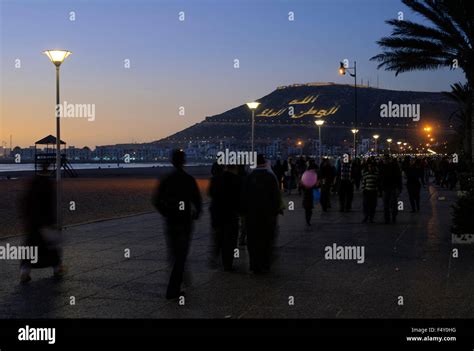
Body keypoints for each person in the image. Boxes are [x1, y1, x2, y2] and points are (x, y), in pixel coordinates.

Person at [152, 149, 202, 299]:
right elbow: (197, 201)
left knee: (175, 253)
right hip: (184, 221)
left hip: (171, 220)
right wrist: (195, 214)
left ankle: (179, 278)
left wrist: (165, 212)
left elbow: (156, 200)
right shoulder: (189, 179)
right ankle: (174, 288)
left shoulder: (166, 179)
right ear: (184, 161)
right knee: (181, 254)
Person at [20, 161, 65, 283]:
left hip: (33, 222)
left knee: (30, 249)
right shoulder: (49, 184)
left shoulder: (33, 182)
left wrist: (26, 217)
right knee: (51, 249)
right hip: (45, 222)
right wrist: (53, 221)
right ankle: (57, 269)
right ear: (48, 169)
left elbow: (25, 201)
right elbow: (50, 204)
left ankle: (24, 272)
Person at [241, 154, 281, 274]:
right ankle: (265, 262)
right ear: (264, 163)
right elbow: (276, 197)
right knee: (267, 238)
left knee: (253, 240)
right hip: (267, 215)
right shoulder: (271, 177)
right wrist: (274, 211)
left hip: (252, 216)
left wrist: (244, 212)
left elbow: (243, 197)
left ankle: (254, 264)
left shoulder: (249, 178)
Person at [208, 165, 242, 271]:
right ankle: (227, 264)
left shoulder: (215, 179)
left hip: (217, 214)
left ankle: (215, 255)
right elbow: (240, 197)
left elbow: (210, 193)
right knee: (230, 240)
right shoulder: (237, 180)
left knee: (218, 236)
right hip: (231, 215)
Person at [380, 155, 402, 224]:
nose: (385, 161)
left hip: (393, 187)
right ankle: (387, 218)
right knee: (386, 204)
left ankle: (393, 217)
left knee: (393, 204)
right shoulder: (382, 167)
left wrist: (399, 188)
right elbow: (380, 178)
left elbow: (398, 178)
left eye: (386, 159)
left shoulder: (394, 167)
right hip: (386, 188)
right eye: (384, 159)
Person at [302, 161, 318, 226]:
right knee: (309, 209)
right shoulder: (312, 174)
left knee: (307, 209)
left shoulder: (305, 174)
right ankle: (308, 220)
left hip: (307, 194)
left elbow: (302, 183)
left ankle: (307, 219)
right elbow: (314, 185)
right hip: (309, 194)